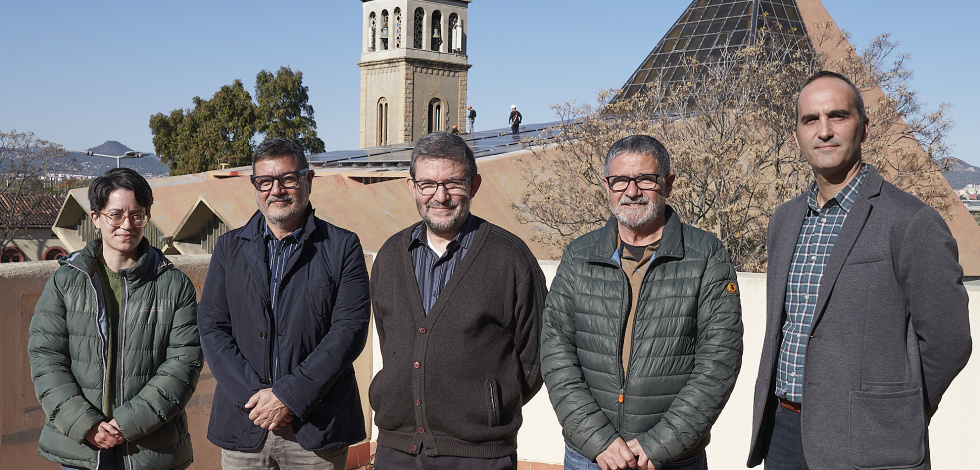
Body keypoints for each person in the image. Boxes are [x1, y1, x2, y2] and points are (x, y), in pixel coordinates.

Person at [747, 71, 972, 469]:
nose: (824, 131)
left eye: (838, 116)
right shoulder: (785, 220)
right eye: (810, 120)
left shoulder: (909, 221)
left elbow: (947, 339)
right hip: (784, 435)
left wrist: (897, 412)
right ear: (797, 133)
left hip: (871, 443)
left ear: (864, 127)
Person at [541, 134, 743, 470]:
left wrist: (660, 443)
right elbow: (555, 350)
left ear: (669, 184)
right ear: (607, 186)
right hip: (590, 457)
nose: (631, 191)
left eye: (645, 179)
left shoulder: (706, 255)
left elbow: (719, 360)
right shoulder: (579, 255)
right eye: (620, 180)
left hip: (672, 458)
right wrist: (598, 439)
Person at [369, 131, 547, 469]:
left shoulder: (510, 258)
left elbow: (536, 356)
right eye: (428, 184)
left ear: (474, 185)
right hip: (397, 449)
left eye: (453, 183)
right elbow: (389, 337)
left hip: (480, 454)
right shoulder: (391, 255)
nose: (441, 196)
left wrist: (490, 404)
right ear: (412, 187)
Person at [198, 138, 372, 469]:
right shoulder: (229, 248)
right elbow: (212, 328)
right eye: (265, 181)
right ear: (255, 186)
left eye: (288, 179)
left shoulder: (341, 246)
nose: (276, 190)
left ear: (307, 180)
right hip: (245, 424)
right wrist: (258, 401)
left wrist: (287, 397)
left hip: (317, 428)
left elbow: (348, 331)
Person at [29, 168, 202, 470]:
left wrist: (128, 423)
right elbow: (46, 359)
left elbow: (183, 364)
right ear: (96, 217)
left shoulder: (173, 285)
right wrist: (87, 425)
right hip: (80, 447)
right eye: (116, 215)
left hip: (151, 449)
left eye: (137, 215)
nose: (127, 225)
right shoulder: (66, 282)